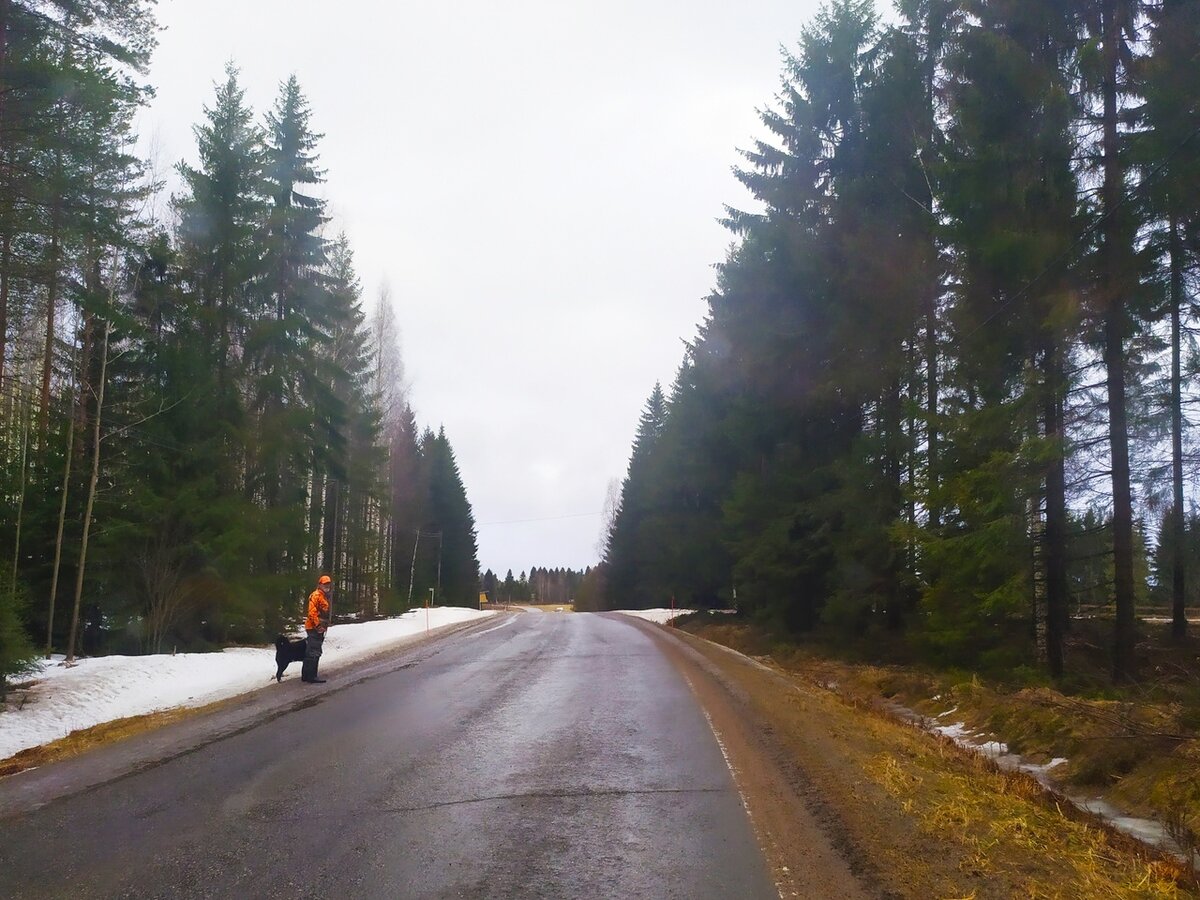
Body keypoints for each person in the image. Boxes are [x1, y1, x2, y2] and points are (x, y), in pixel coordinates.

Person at [302, 575, 332, 683]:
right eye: (325, 584)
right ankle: (311, 676)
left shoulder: (324, 596)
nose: (327, 586)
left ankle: (306, 675)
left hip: (319, 628)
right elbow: (312, 612)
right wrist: (318, 626)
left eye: (328, 584)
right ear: (319, 584)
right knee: (314, 651)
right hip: (314, 628)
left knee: (311, 651)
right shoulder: (316, 595)